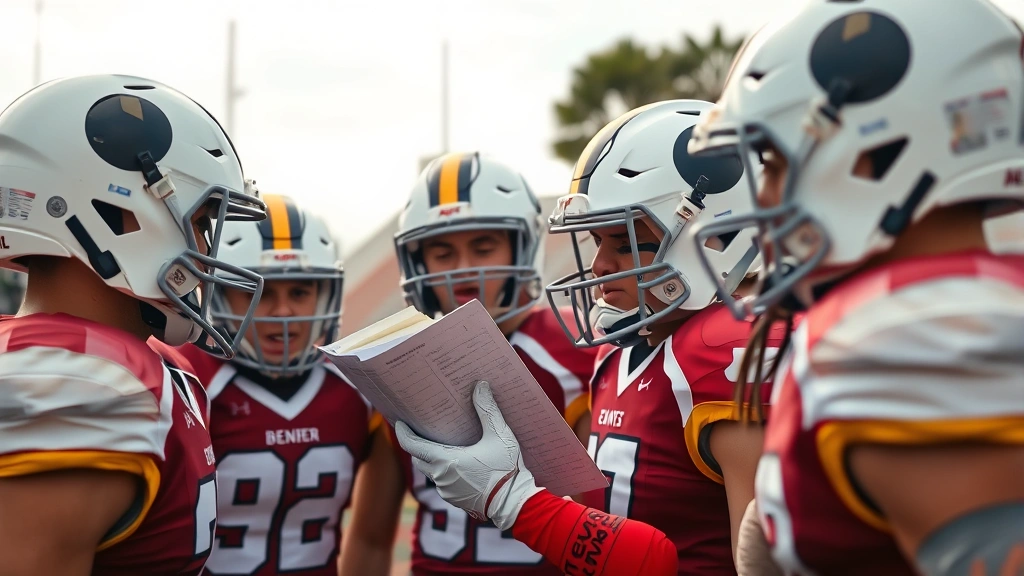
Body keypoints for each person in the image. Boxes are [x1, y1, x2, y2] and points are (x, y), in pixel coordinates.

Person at [686, 1, 1024, 574]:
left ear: (876, 152)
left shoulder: (909, 332)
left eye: (771, 160)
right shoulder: (968, 296)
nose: (762, 196)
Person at [0, 74, 266, 575]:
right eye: (202, 221)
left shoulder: (145, 364)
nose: (207, 250)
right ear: (117, 215)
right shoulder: (70, 380)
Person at [545, 99, 785, 574]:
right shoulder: (618, 353)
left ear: (716, 237)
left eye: (628, 241)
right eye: (598, 241)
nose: (599, 266)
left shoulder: (720, 354)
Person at [340, 152, 596, 576]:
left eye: (482, 247)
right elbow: (369, 537)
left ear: (522, 246)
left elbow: (604, 523)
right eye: (442, 253)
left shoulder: (576, 351)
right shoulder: (397, 362)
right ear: (417, 262)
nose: (462, 270)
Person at [179, 193, 380, 576]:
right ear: (219, 292)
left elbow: (373, 533)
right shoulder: (187, 380)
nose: (284, 311)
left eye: (300, 292)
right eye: (259, 292)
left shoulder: (358, 389)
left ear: (325, 295)